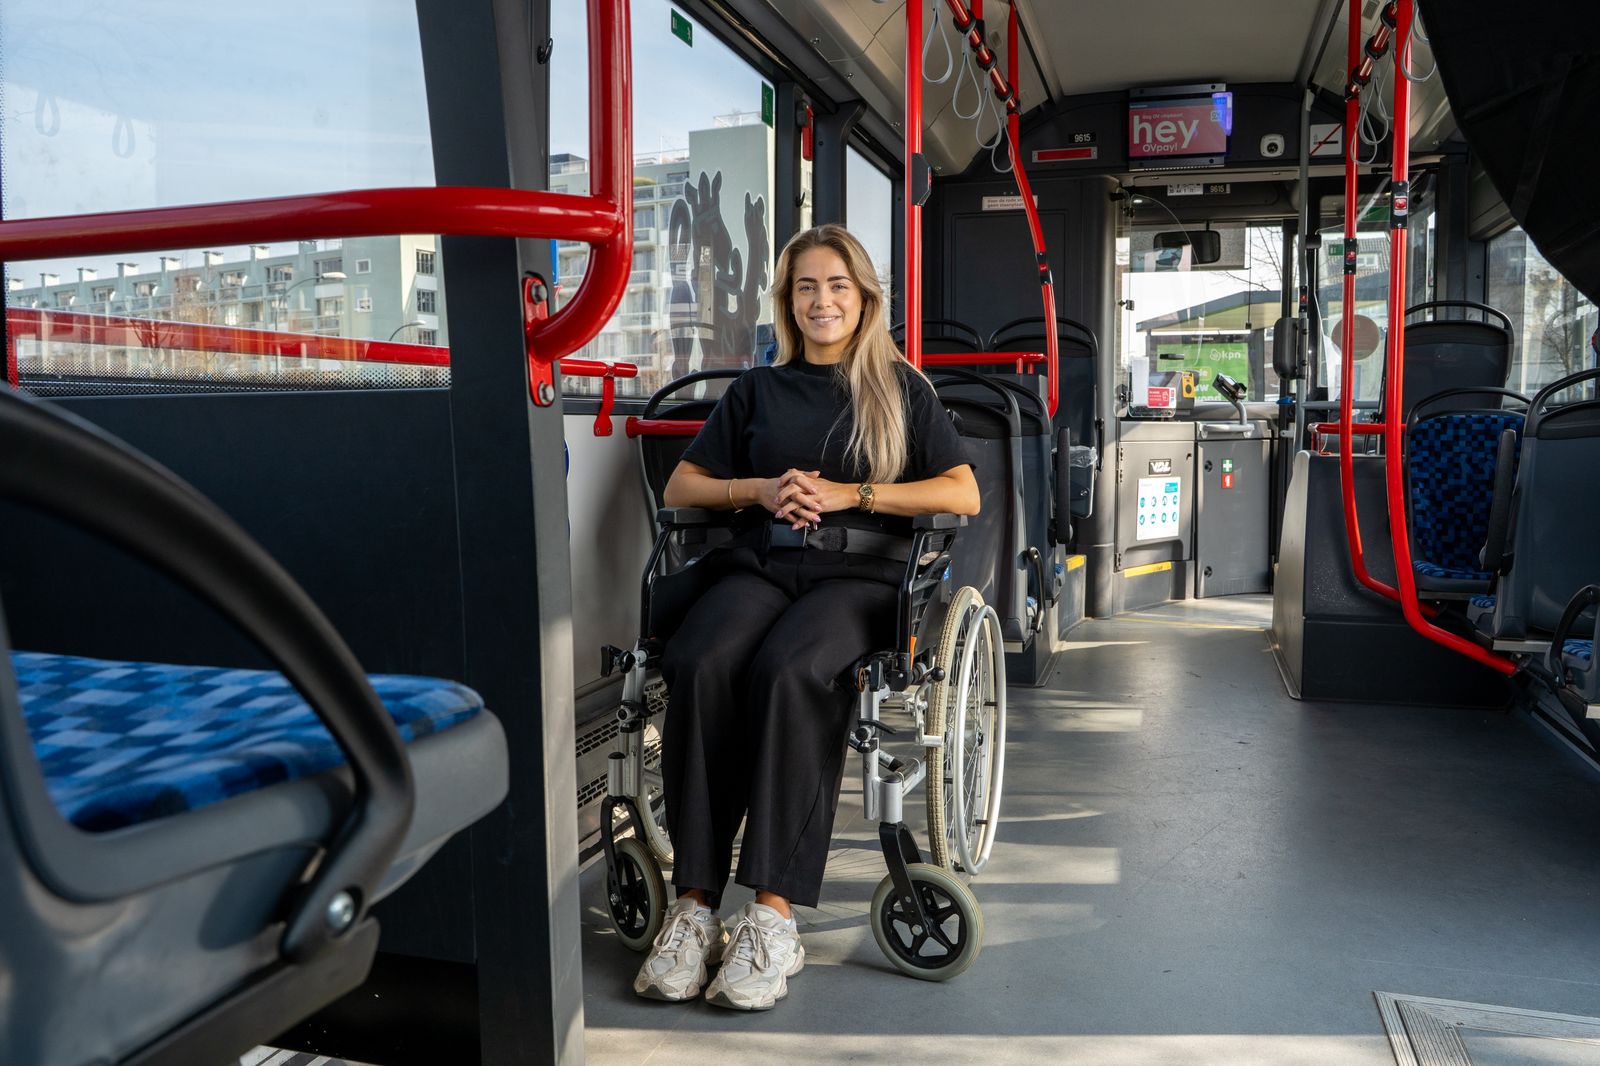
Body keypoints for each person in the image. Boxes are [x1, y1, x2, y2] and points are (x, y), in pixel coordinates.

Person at [632, 224, 980, 1011]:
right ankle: (693, 905)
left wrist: (849, 494)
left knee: (789, 672)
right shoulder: (755, 391)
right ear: (788, 303)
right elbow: (683, 486)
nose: (822, 301)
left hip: (860, 575)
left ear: (863, 299)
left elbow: (961, 493)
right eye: (805, 288)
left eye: (837, 286)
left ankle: (771, 916)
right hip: (762, 564)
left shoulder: (901, 390)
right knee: (699, 659)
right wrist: (757, 490)